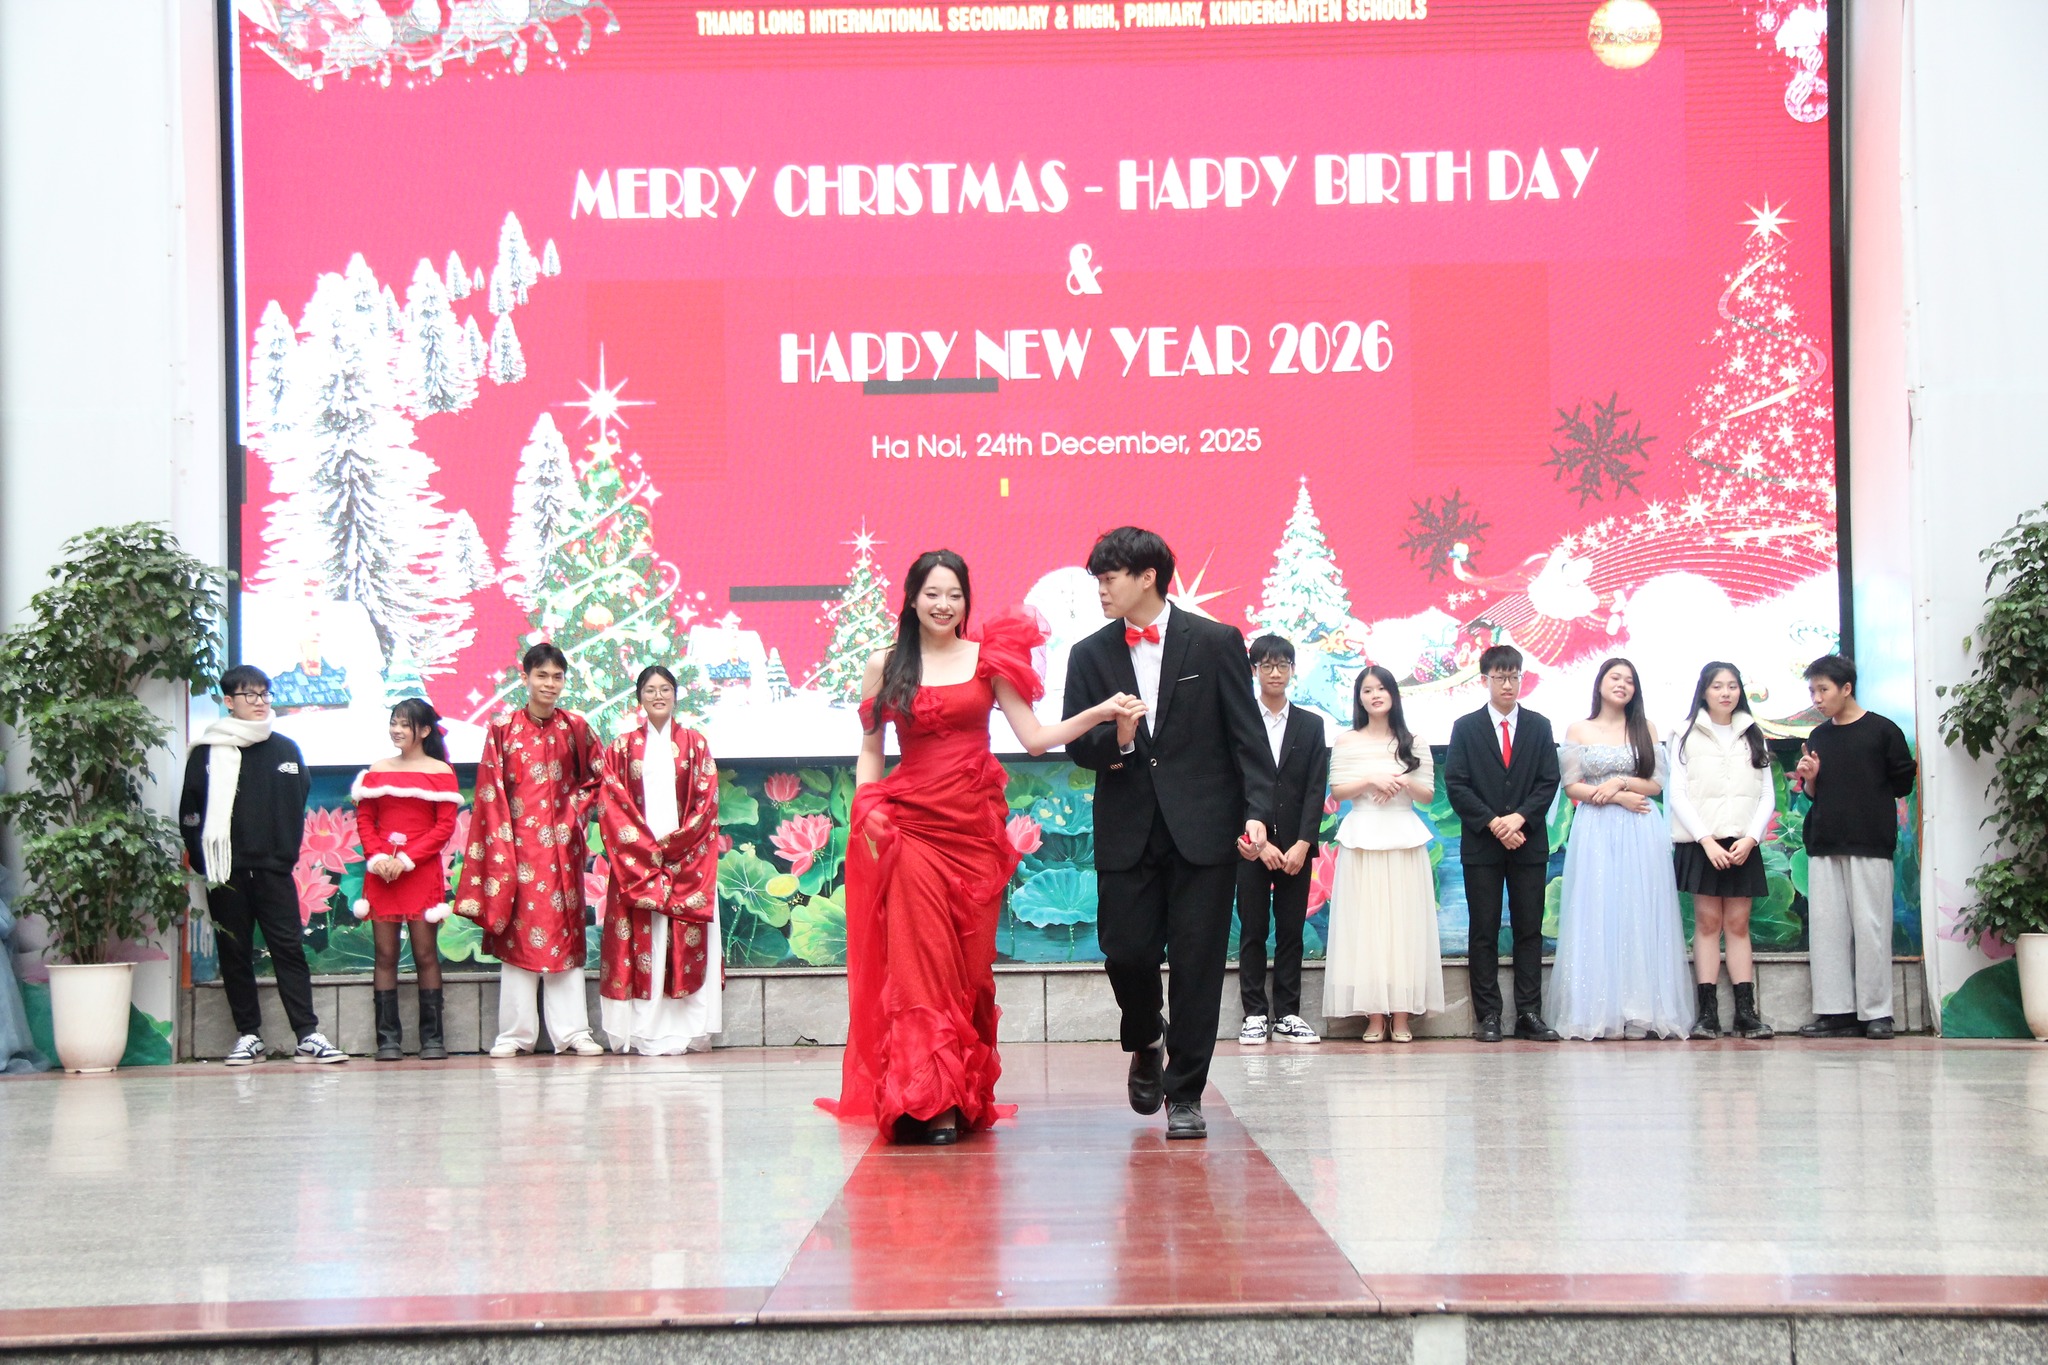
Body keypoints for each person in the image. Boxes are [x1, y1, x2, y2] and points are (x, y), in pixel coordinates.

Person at [823, 550, 1139, 1144]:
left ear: (967, 600)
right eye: (933, 593)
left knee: (967, 969)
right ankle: (926, 1100)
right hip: (911, 829)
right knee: (922, 965)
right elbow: (870, 749)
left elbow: (1036, 738)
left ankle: (959, 1093)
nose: (944, 605)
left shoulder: (986, 660)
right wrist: (867, 807)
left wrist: (1099, 712)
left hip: (973, 832)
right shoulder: (885, 664)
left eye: (955, 595)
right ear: (912, 598)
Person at [1062, 527, 1273, 1140]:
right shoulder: (1088, 655)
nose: (1102, 590)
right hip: (1127, 831)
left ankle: (1186, 1095)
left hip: (1204, 831)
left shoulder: (1215, 641)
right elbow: (1079, 746)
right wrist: (1121, 740)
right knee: (1125, 952)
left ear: (1147, 577)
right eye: (1099, 580)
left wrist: (1258, 810)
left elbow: (1247, 738)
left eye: (1110, 579)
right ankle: (1145, 1036)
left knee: (1197, 966)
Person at [178, 666, 346, 1064]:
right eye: (249, 695)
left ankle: (307, 1034)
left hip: (274, 871)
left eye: (265, 694)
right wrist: (207, 862)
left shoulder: (285, 749)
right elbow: (191, 812)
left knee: (289, 949)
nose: (260, 702)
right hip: (226, 873)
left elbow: (296, 799)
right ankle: (248, 1035)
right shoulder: (206, 751)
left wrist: (281, 851)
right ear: (229, 701)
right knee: (234, 952)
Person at [454, 643, 607, 1058]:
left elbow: (600, 777)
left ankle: (573, 1032)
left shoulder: (575, 727)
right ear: (525, 678)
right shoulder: (502, 730)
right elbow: (489, 792)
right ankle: (514, 1035)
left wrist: (573, 813)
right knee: (518, 939)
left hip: (563, 854)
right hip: (516, 853)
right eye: (542, 676)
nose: (549, 684)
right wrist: (503, 847)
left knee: (565, 937)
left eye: (557, 677)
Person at [1545, 657, 1695, 1040]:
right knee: (1597, 909)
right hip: (1595, 828)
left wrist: (1621, 783)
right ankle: (1598, 1010)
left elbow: (1656, 784)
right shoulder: (1578, 729)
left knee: (1638, 910)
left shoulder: (1646, 728)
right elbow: (1572, 786)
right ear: (1600, 683)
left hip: (1640, 827)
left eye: (1629, 680)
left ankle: (1640, 1009)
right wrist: (1614, 797)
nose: (1622, 684)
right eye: (1615, 677)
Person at [596, 666, 723, 1056]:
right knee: (644, 940)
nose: (658, 696)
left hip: (687, 860)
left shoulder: (695, 744)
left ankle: (689, 1027)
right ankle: (643, 1028)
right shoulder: (621, 748)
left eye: (665, 689)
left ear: (675, 695)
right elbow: (611, 806)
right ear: (639, 697)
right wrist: (647, 854)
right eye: (650, 690)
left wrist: (675, 849)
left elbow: (706, 803)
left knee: (685, 939)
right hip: (638, 864)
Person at [1793, 654, 1917, 1040]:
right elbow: (1813, 794)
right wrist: (1811, 778)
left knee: (1871, 928)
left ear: (1846, 688)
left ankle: (1877, 1013)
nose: (1817, 698)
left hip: (1869, 841)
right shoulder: (1818, 737)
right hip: (1824, 841)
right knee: (1827, 931)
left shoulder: (1883, 731)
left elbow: (1902, 784)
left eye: (1823, 690)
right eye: (1812, 691)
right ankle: (1836, 1012)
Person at [1444, 645, 1561, 1043]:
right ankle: (1489, 1015)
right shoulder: (1466, 727)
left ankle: (1529, 1013)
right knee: (1484, 930)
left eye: (1514, 676)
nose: (1508, 685)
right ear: (1485, 680)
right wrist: (1494, 822)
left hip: (1528, 842)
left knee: (1529, 930)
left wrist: (1520, 818)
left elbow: (1548, 781)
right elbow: (1457, 784)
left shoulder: (1539, 726)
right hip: (1483, 844)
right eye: (1500, 677)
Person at [1323, 667, 1444, 1043]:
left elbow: (1427, 795)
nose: (1375, 695)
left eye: (1381, 689)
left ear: (1393, 694)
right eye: (1367, 690)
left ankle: (1402, 1017)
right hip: (1362, 839)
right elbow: (1339, 790)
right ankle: (1374, 1017)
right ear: (1359, 698)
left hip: (1404, 840)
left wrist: (1403, 781)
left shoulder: (1414, 741)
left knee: (1404, 927)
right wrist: (1371, 780)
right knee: (1367, 927)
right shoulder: (1346, 741)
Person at [1668, 662, 1777, 1040]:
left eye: (1732, 686)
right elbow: (1677, 793)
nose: (1726, 693)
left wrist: (1752, 838)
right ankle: (1707, 1014)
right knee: (1708, 923)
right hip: (1703, 843)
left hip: (1743, 842)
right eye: (1717, 686)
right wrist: (1706, 840)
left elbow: (1767, 794)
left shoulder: (1753, 733)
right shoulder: (1684, 733)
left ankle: (1746, 1013)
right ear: (1704, 691)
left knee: (1738, 924)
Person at [350, 698, 462, 1061]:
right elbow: (365, 819)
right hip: (382, 873)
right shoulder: (378, 769)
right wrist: (379, 858)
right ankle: (387, 1040)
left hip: (420, 871)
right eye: (393, 722)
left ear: (425, 730)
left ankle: (433, 1038)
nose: (396, 730)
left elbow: (444, 827)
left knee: (425, 953)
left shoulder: (441, 772)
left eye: (404, 724)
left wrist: (407, 859)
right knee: (385, 954)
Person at [1234, 635, 1330, 1047]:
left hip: (1295, 849)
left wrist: (1304, 843)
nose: (1275, 673)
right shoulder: (1239, 722)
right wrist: (1255, 842)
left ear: (1292, 670)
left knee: (1291, 930)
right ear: (1254, 670)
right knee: (1253, 929)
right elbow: (1231, 785)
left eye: (1283, 665)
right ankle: (1255, 1014)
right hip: (1251, 847)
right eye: (1267, 665)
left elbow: (1315, 788)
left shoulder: (1311, 724)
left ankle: (1288, 1014)